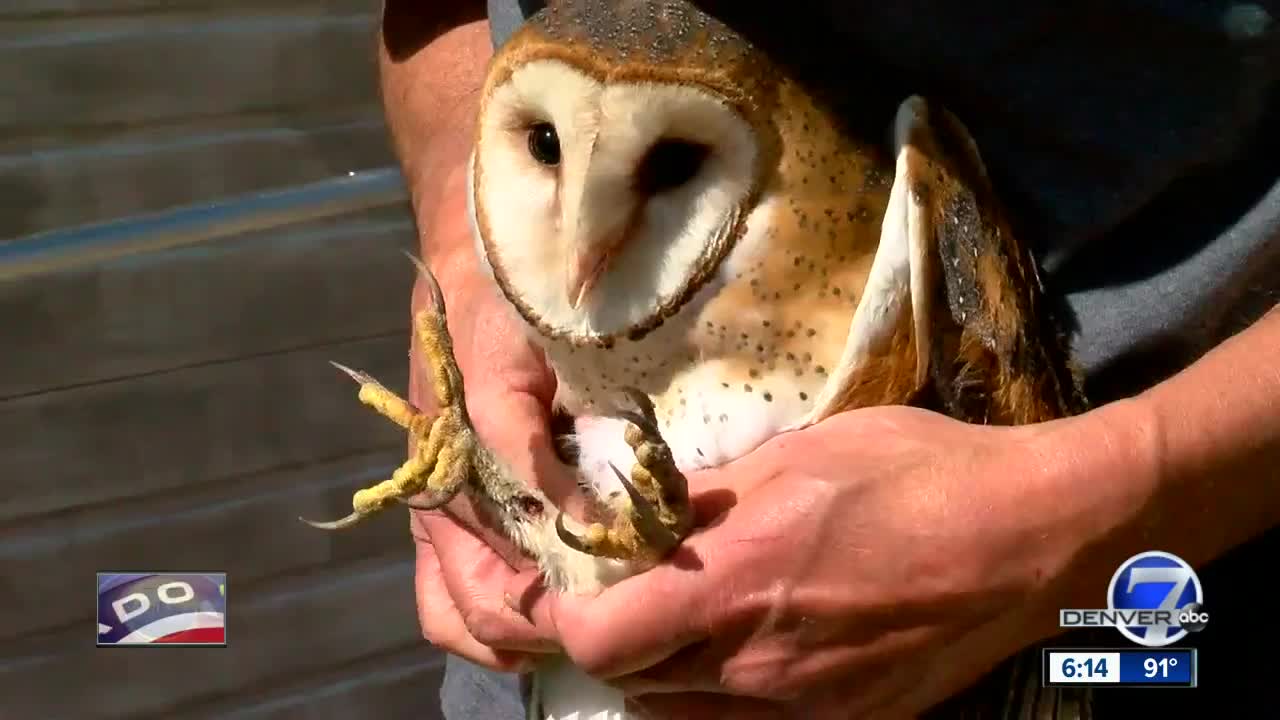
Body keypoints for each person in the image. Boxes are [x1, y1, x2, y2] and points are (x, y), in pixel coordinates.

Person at [381, 1, 1280, 717]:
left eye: (668, 170)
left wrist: (1100, 506)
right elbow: (429, 12)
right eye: (544, 146)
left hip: (1129, 628)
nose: (585, 248)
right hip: (539, 669)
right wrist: (466, 244)